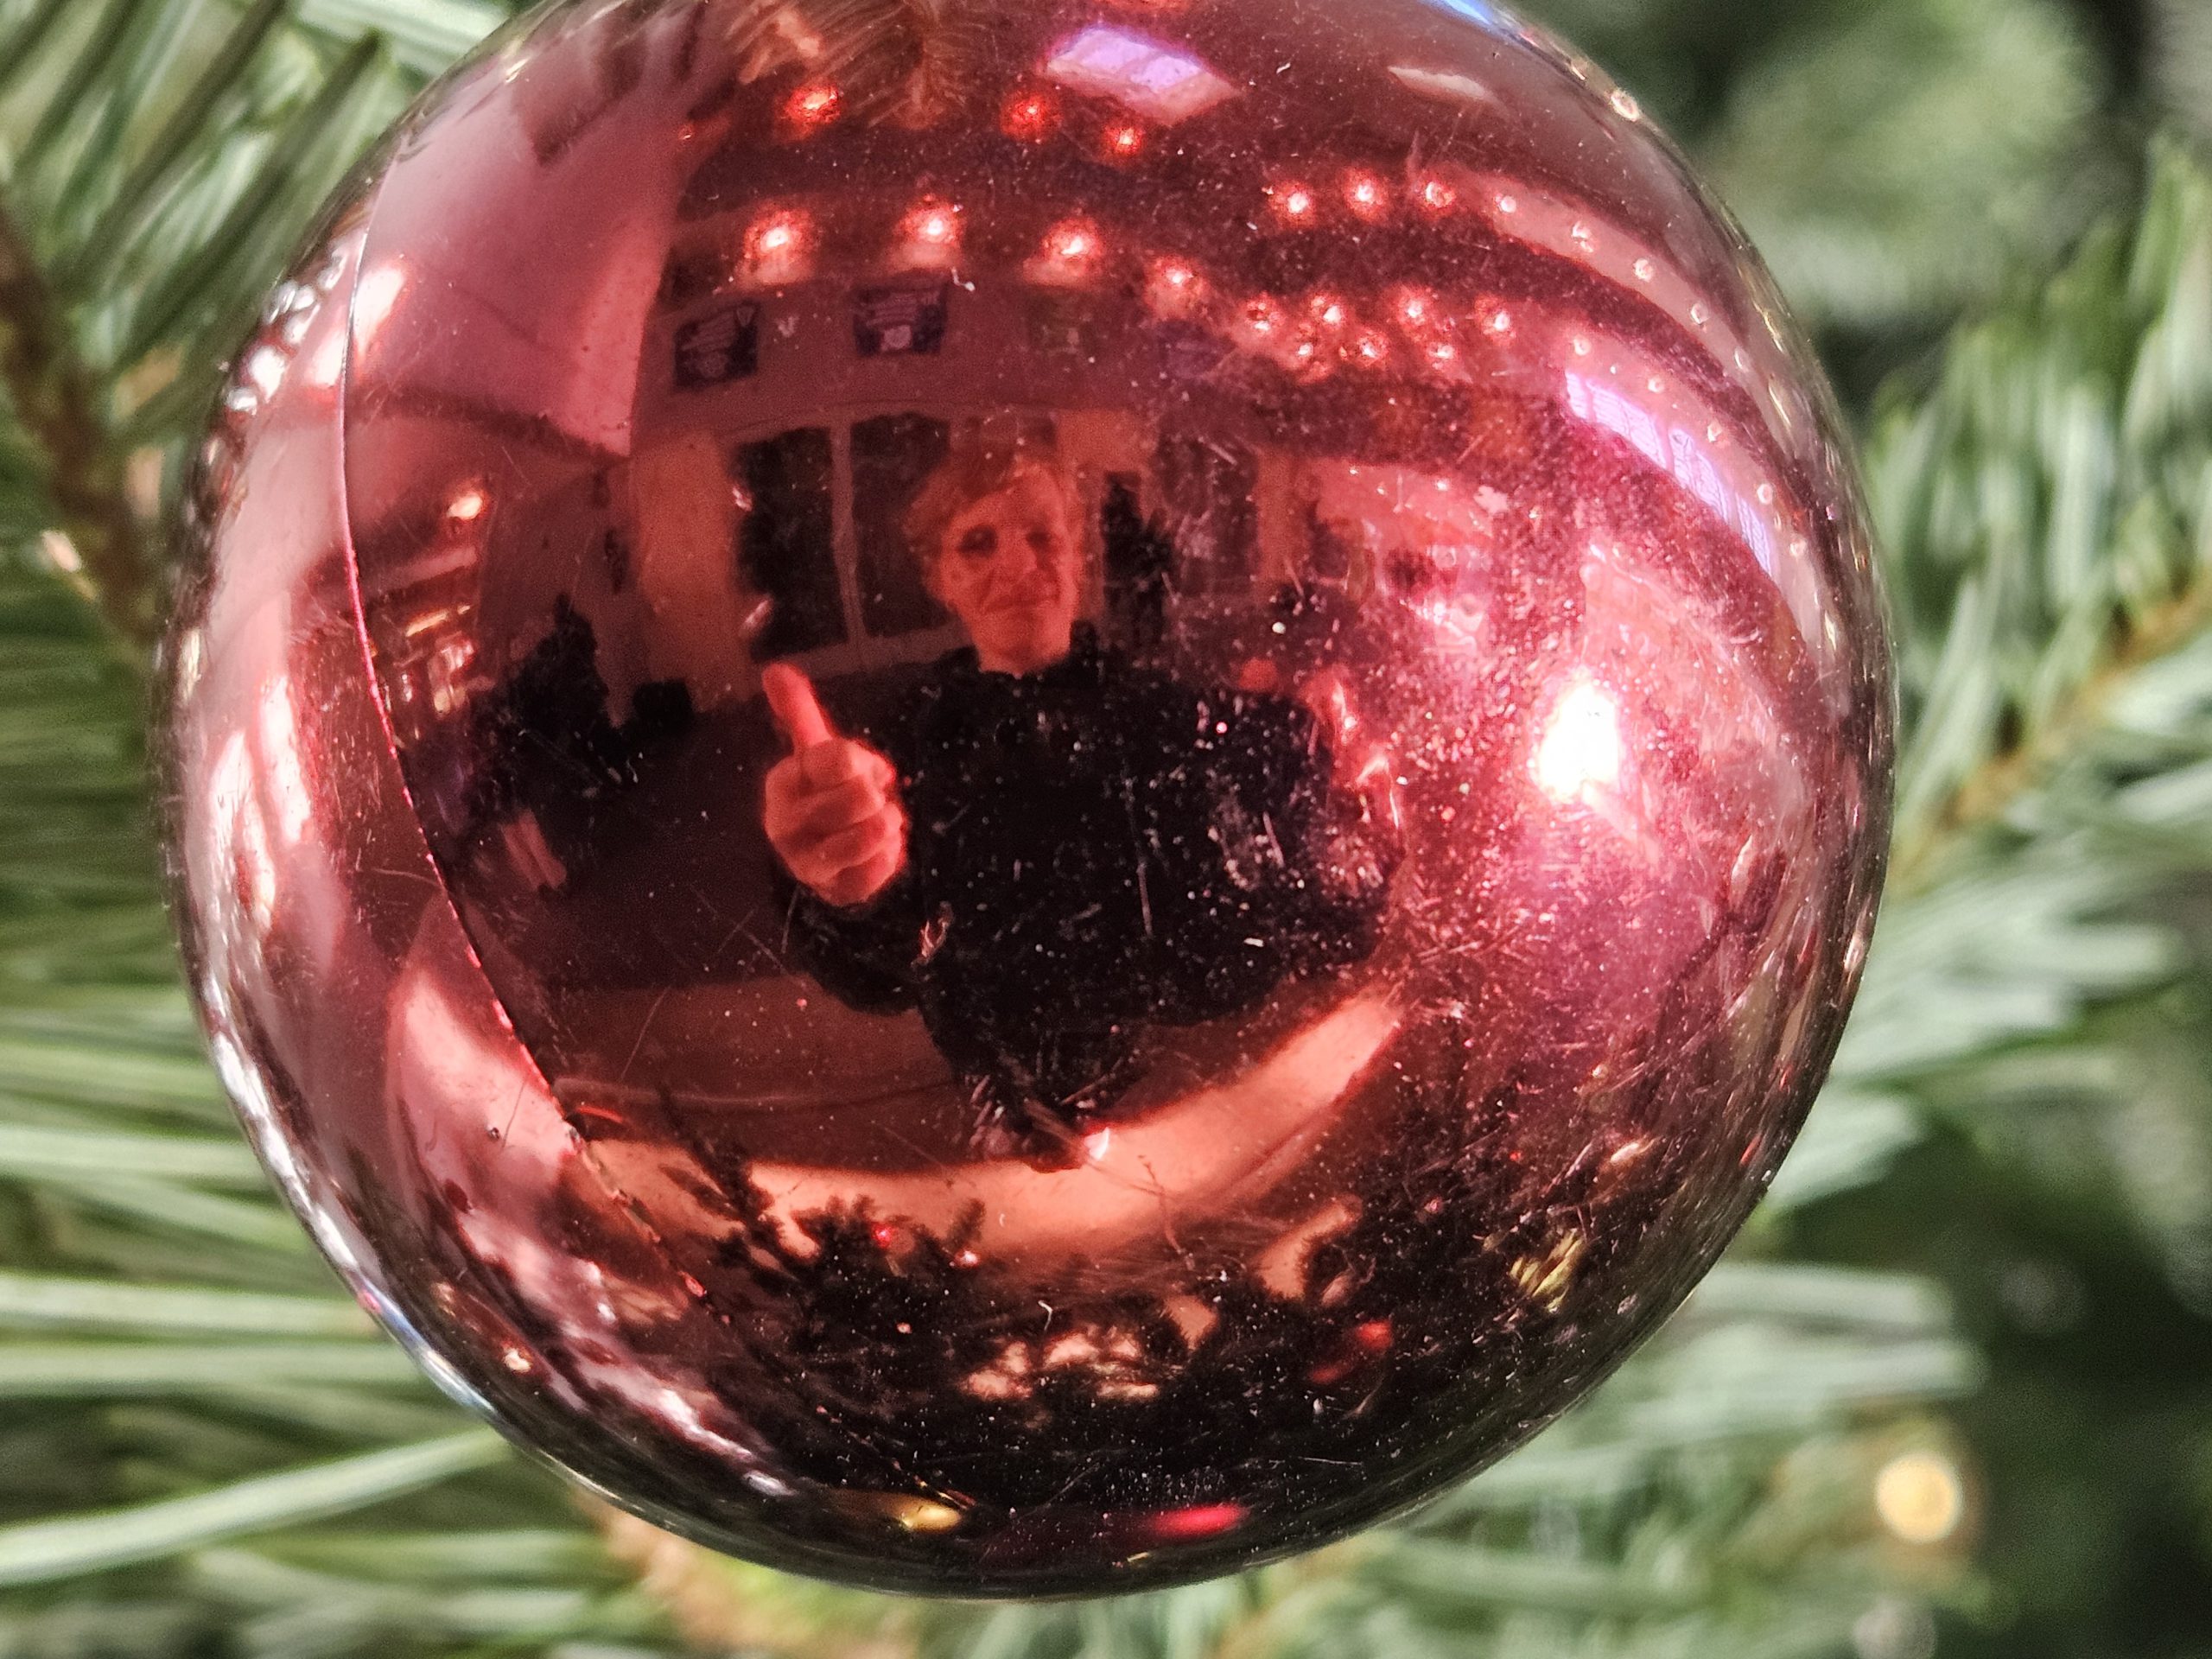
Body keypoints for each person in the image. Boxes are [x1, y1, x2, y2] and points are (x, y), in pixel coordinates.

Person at [761, 445, 1397, 1155]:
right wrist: (846, 890)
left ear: (1076, 560)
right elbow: (879, 978)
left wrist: (1343, 835)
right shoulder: (902, 749)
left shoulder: (1172, 717)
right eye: (978, 543)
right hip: (986, 1060)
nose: (1019, 563)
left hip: (1148, 1083)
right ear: (940, 579)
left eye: (1042, 535)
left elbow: (1306, 939)